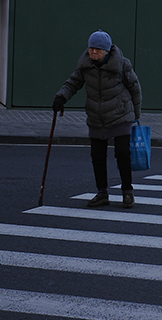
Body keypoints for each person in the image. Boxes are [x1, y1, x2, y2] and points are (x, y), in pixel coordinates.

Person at [53, 30, 142, 208]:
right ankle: (102, 193)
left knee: (122, 153)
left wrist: (136, 115)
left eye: (97, 50)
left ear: (107, 51)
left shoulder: (122, 64)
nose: (93, 52)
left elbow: (135, 87)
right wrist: (61, 97)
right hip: (96, 116)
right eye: (91, 48)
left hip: (121, 114)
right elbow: (73, 83)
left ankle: (127, 192)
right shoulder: (85, 65)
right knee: (97, 156)